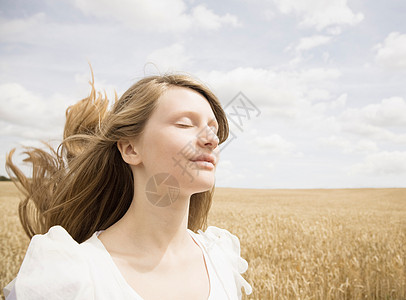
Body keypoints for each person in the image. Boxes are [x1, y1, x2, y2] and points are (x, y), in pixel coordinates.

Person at [3, 70, 253, 300]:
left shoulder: (222, 260)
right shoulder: (71, 277)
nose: (211, 140)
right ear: (131, 149)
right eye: (185, 124)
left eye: (214, 130)